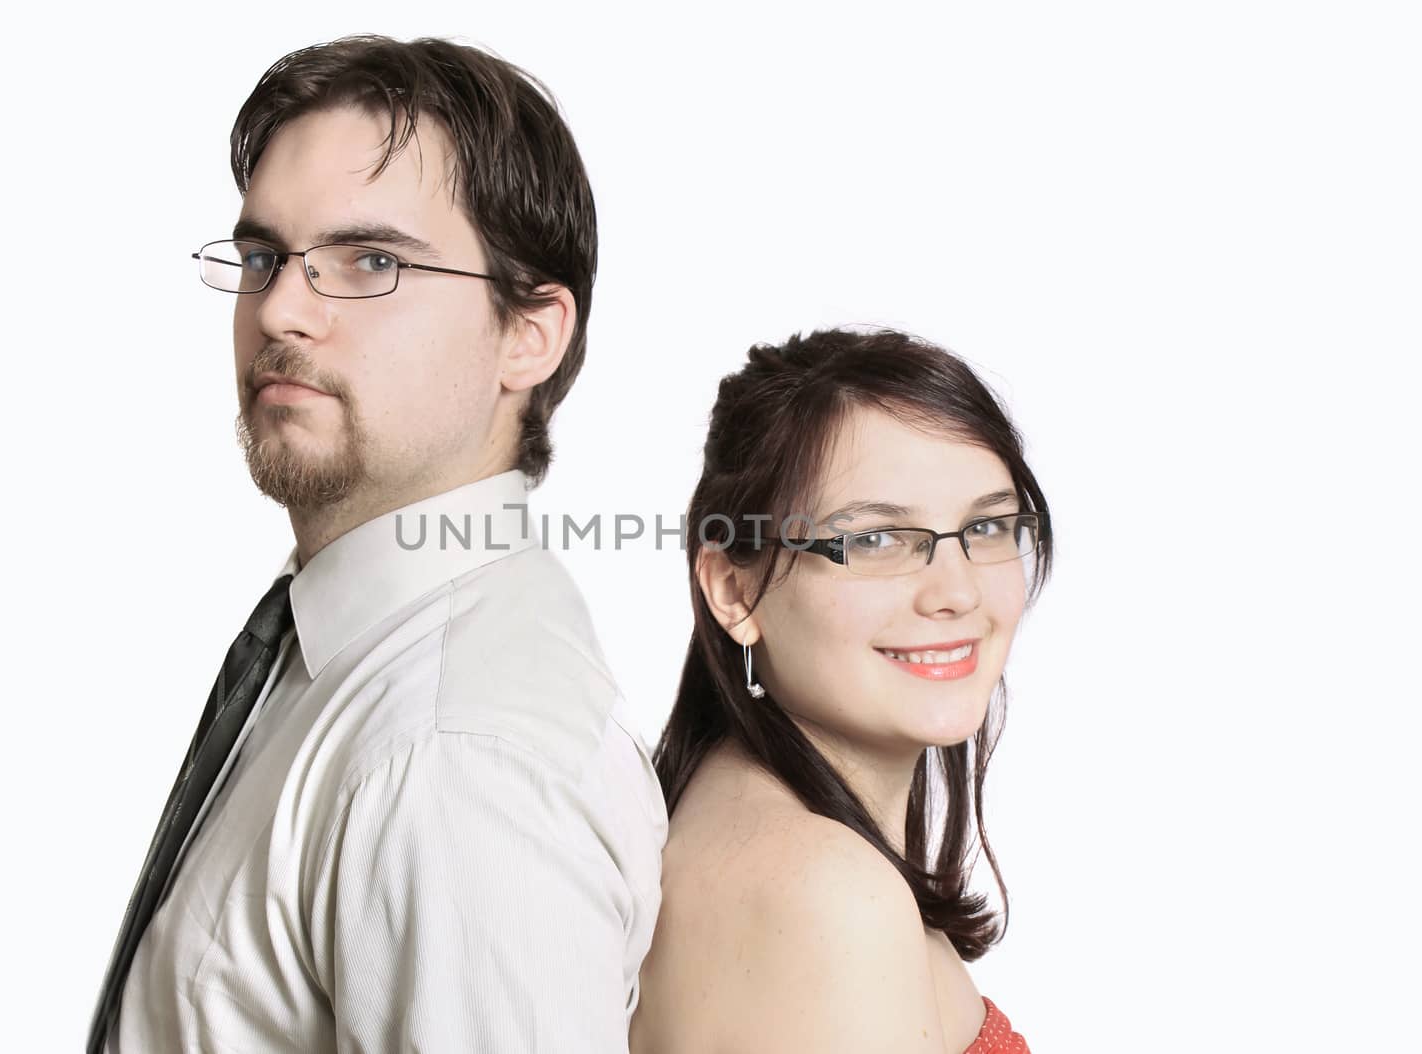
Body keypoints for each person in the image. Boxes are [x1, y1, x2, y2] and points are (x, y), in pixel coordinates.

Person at [87, 35, 667, 1053]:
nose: (280, 309)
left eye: (372, 260)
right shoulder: (350, 654)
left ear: (529, 332)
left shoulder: (458, 755)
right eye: (265, 255)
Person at [629, 328, 1050, 1053]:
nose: (955, 590)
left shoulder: (740, 807)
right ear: (734, 589)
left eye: (984, 526)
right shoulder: (828, 897)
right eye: (876, 540)